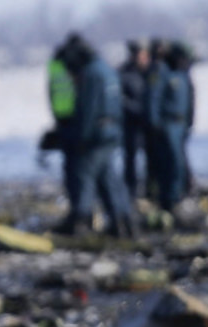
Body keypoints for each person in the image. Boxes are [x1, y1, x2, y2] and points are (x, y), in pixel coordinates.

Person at [55, 36, 134, 237]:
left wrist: (81, 137)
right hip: (111, 132)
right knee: (109, 178)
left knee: (84, 176)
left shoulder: (91, 74)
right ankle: (122, 221)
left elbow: (87, 110)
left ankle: (81, 222)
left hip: (96, 135)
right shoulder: (108, 71)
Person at [147, 41, 193, 215]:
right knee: (172, 164)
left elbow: (188, 102)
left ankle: (177, 196)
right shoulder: (162, 73)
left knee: (179, 164)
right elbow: (154, 99)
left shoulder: (182, 74)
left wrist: (188, 124)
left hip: (180, 125)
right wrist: (155, 123)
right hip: (168, 124)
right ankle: (169, 199)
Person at [119, 40, 150, 200]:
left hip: (148, 125)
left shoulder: (150, 73)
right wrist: (135, 109)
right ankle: (130, 191)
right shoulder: (124, 74)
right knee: (130, 159)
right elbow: (120, 99)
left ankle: (148, 190)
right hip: (130, 125)